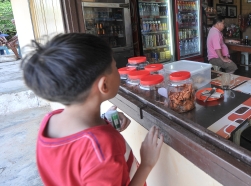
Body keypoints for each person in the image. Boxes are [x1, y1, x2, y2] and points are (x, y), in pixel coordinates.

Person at [21, 33, 163, 185]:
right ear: (104, 85)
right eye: (115, 66)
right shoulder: (102, 147)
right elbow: (94, 152)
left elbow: (75, 149)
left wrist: (105, 122)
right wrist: (147, 163)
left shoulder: (50, 121)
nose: (118, 70)